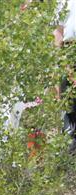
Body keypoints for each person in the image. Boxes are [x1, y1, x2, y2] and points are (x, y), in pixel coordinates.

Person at [56, 0, 76, 152]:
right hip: (69, 52)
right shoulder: (63, 2)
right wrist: (64, 64)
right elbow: (58, 32)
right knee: (69, 104)